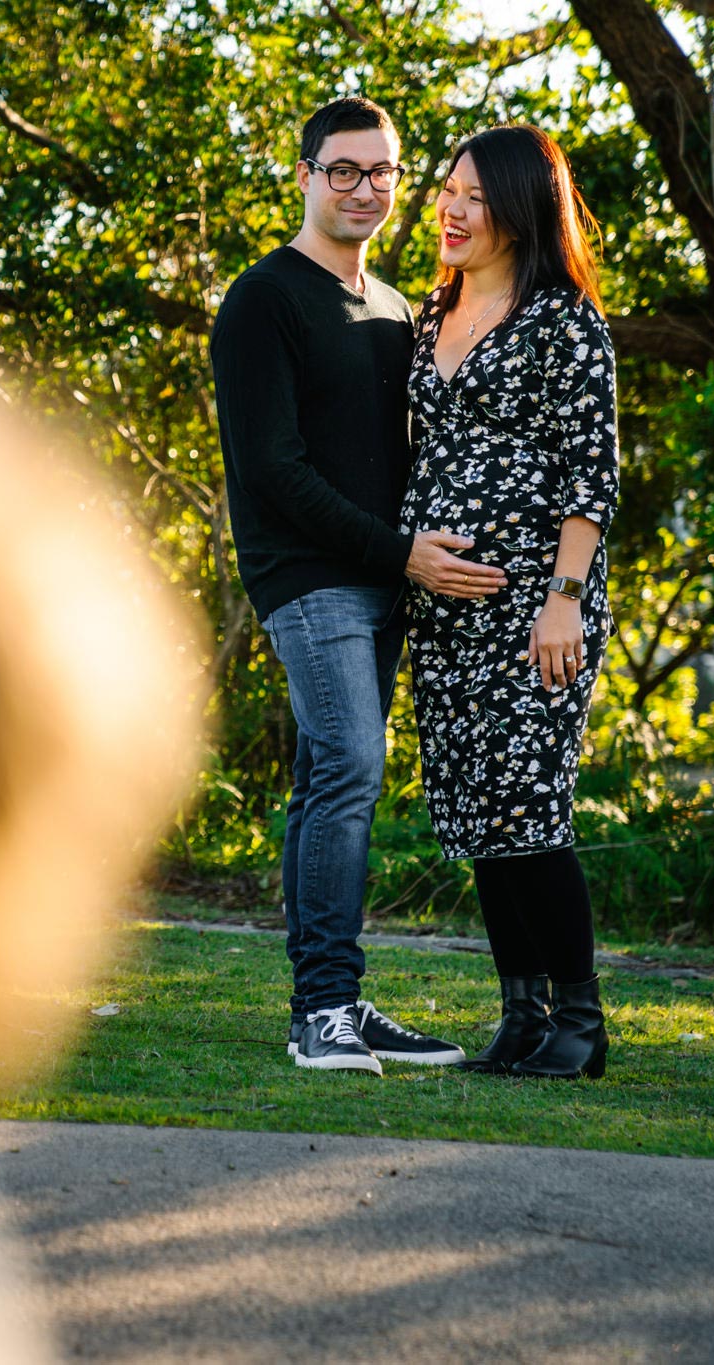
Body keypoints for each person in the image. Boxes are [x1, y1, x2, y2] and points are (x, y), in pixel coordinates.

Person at [211, 97, 494, 1074]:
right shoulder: (262, 299)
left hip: (381, 578)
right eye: (342, 169)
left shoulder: (392, 309)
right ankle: (320, 1013)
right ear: (303, 175)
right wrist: (398, 552)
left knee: (319, 782)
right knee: (348, 771)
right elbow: (271, 469)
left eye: (379, 172)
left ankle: (329, 999)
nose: (364, 188)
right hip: (308, 577)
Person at [399, 125, 619, 1079]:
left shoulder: (567, 324)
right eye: (447, 189)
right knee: (479, 812)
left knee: (529, 803)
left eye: (474, 197)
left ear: (522, 211)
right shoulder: (427, 315)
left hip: (537, 606)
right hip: (443, 609)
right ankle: (520, 1017)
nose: (450, 208)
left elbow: (591, 474)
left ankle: (581, 1018)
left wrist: (564, 597)